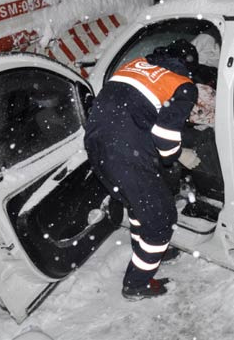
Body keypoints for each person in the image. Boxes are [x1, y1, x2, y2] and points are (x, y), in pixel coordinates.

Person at [84, 46, 198, 301]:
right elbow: (164, 139)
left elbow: (130, 108)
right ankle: (137, 284)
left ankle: (147, 250)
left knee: (140, 204)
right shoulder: (184, 85)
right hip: (125, 154)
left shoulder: (135, 65)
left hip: (95, 144)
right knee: (161, 220)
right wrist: (179, 155)